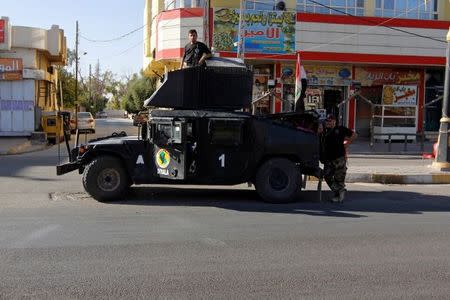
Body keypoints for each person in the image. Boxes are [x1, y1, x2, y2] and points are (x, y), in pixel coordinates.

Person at [320, 114, 357, 203]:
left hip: (339, 158)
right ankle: (339, 191)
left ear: (334, 121)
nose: (328, 122)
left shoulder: (340, 129)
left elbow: (354, 135)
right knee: (327, 176)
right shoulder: (324, 131)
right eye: (327, 121)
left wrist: (347, 144)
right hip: (328, 159)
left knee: (339, 178)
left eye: (330, 121)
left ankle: (339, 196)